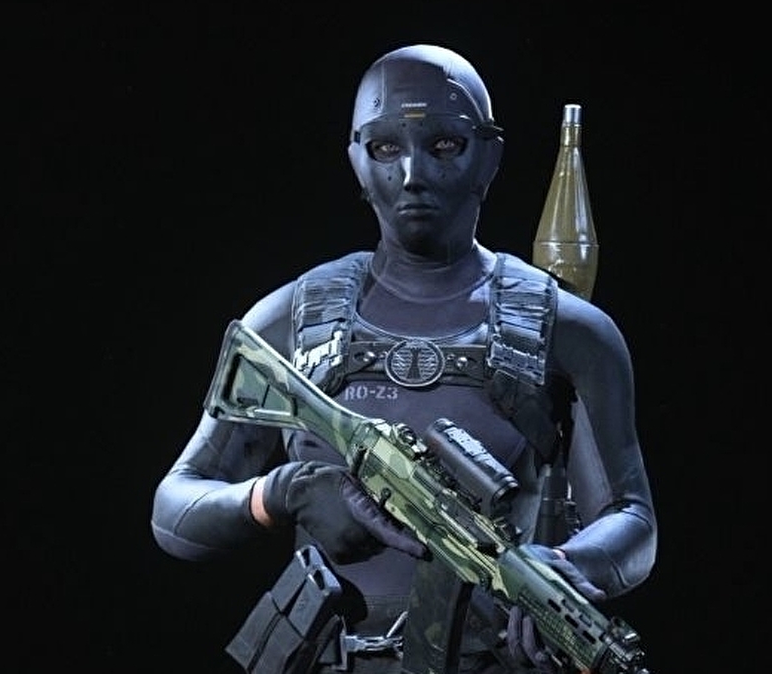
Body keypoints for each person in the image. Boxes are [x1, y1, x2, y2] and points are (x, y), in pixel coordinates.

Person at [151, 43, 657, 673]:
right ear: (356, 161)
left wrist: (564, 568)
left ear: (489, 155)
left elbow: (632, 518)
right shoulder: (291, 320)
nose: (414, 173)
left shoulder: (569, 330)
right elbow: (174, 512)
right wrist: (281, 494)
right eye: (387, 147)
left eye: (444, 144)